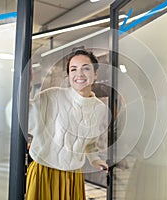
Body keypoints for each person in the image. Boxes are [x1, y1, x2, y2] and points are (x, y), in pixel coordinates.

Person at [26, 49, 109, 200]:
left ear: (95, 74)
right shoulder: (51, 96)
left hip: (73, 175)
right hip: (44, 172)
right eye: (73, 69)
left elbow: (90, 143)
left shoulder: (99, 108)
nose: (79, 74)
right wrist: (26, 84)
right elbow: (25, 118)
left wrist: (95, 159)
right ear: (69, 75)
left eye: (86, 68)